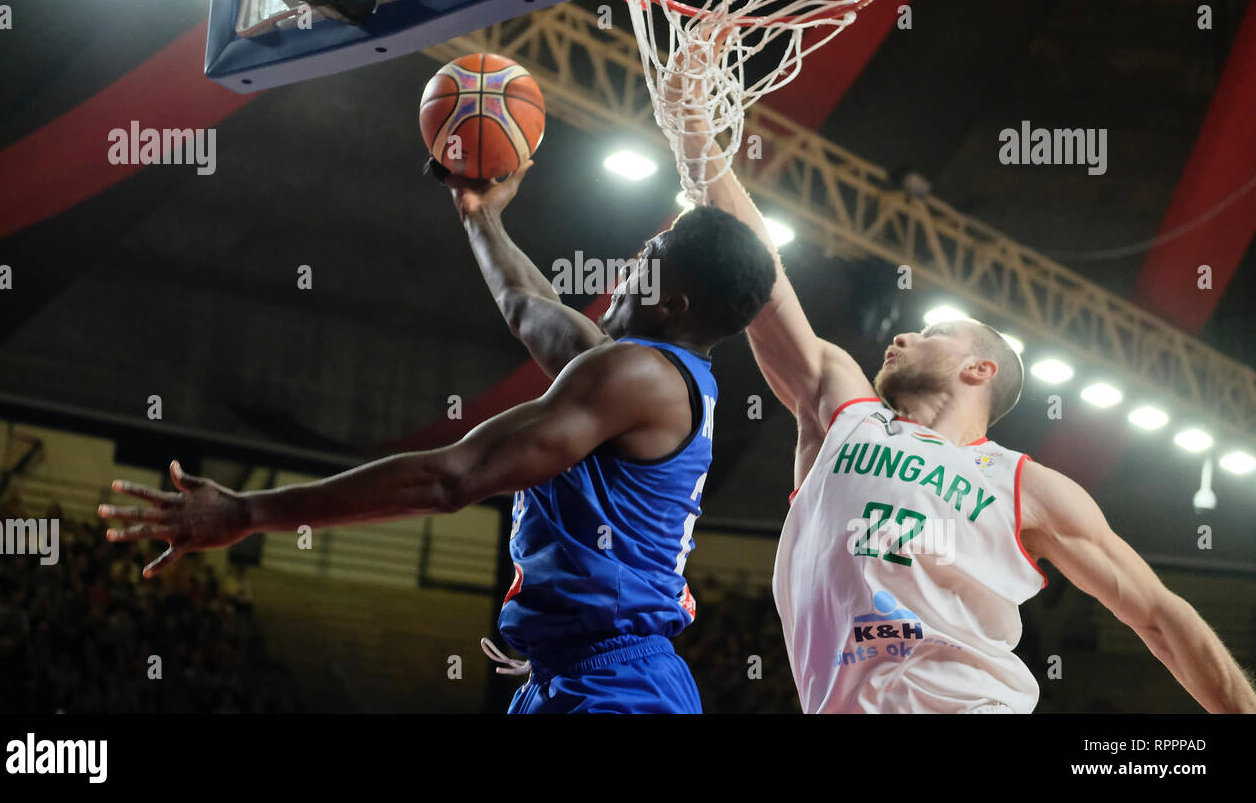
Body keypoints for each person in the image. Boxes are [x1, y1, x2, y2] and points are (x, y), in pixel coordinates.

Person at [666, 53, 1256, 714]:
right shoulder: (842, 410)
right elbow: (762, 276)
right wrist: (695, 138)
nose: (903, 337)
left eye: (931, 332)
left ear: (981, 369)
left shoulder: (1029, 486)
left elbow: (1157, 614)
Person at [99, 158, 777, 714]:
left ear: (673, 303)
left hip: (618, 689)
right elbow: (526, 306)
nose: (629, 265)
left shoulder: (634, 374)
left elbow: (451, 478)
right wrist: (479, 214)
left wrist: (248, 513)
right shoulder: (640, 372)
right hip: (573, 678)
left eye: (647, 259)